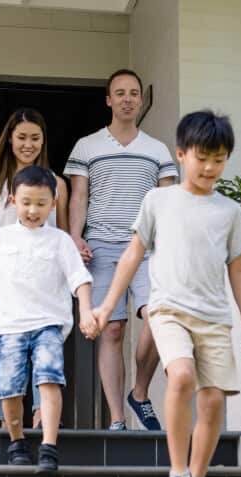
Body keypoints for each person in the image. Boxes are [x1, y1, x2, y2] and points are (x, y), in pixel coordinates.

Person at [91, 110, 241, 477]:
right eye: (202, 157)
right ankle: (176, 475)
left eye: (219, 159)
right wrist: (105, 304)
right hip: (168, 310)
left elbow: (237, 269)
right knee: (181, 376)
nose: (210, 167)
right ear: (182, 155)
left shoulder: (230, 212)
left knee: (213, 399)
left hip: (214, 318)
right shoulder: (158, 200)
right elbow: (133, 254)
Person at [65, 69, 177, 432]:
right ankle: (117, 420)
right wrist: (74, 236)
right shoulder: (87, 146)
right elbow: (79, 195)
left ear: (141, 100)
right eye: (120, 93)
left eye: (133, 93)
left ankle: (140, 394)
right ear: (108, 100)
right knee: (111, 331)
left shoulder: (157, 150)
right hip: (100, 247)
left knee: (159, 318)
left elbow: (169, 203)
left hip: (147, 248)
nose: (127, 99)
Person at [0, 166, 97, 472]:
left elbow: (80, 278)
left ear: (53, 204)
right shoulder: (2, 238)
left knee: (49, 379)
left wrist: (86, 310)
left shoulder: (60, 241)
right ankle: (17, 441)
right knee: (10, 388)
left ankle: (49, 446)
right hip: (11, 325)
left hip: (49, 324)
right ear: (13, 200)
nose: (32, 210)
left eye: (41, 204)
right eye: (26, 202)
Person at [0, 108, 68, 429]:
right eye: (22, 137)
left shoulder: (57, 185)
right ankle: (4, 419)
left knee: (44, 351)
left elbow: (62, 233)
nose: (28, 144)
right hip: (4, 282)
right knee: (6, 352)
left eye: (35, 138)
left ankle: (41, 415)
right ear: (9, 139)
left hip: (44, 283)